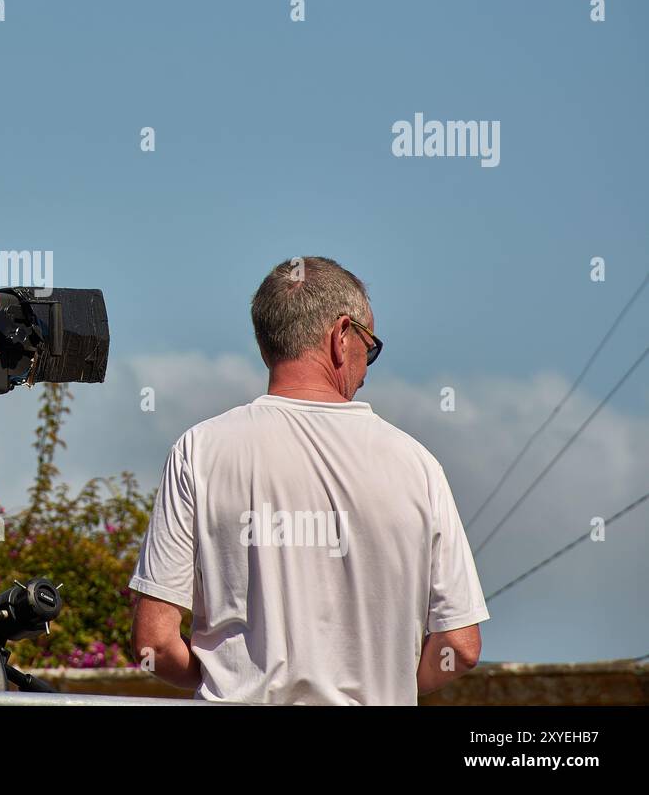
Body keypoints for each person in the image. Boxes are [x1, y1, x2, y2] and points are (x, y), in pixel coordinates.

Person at [129, 256, 488, 704]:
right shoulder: (419, 465)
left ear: (266, 346)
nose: (367, 367)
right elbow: (461, 646)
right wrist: (387, 685)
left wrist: (228, 678)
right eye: (370, 347)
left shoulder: (199, 450)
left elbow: (154, 642)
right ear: (342, 336)